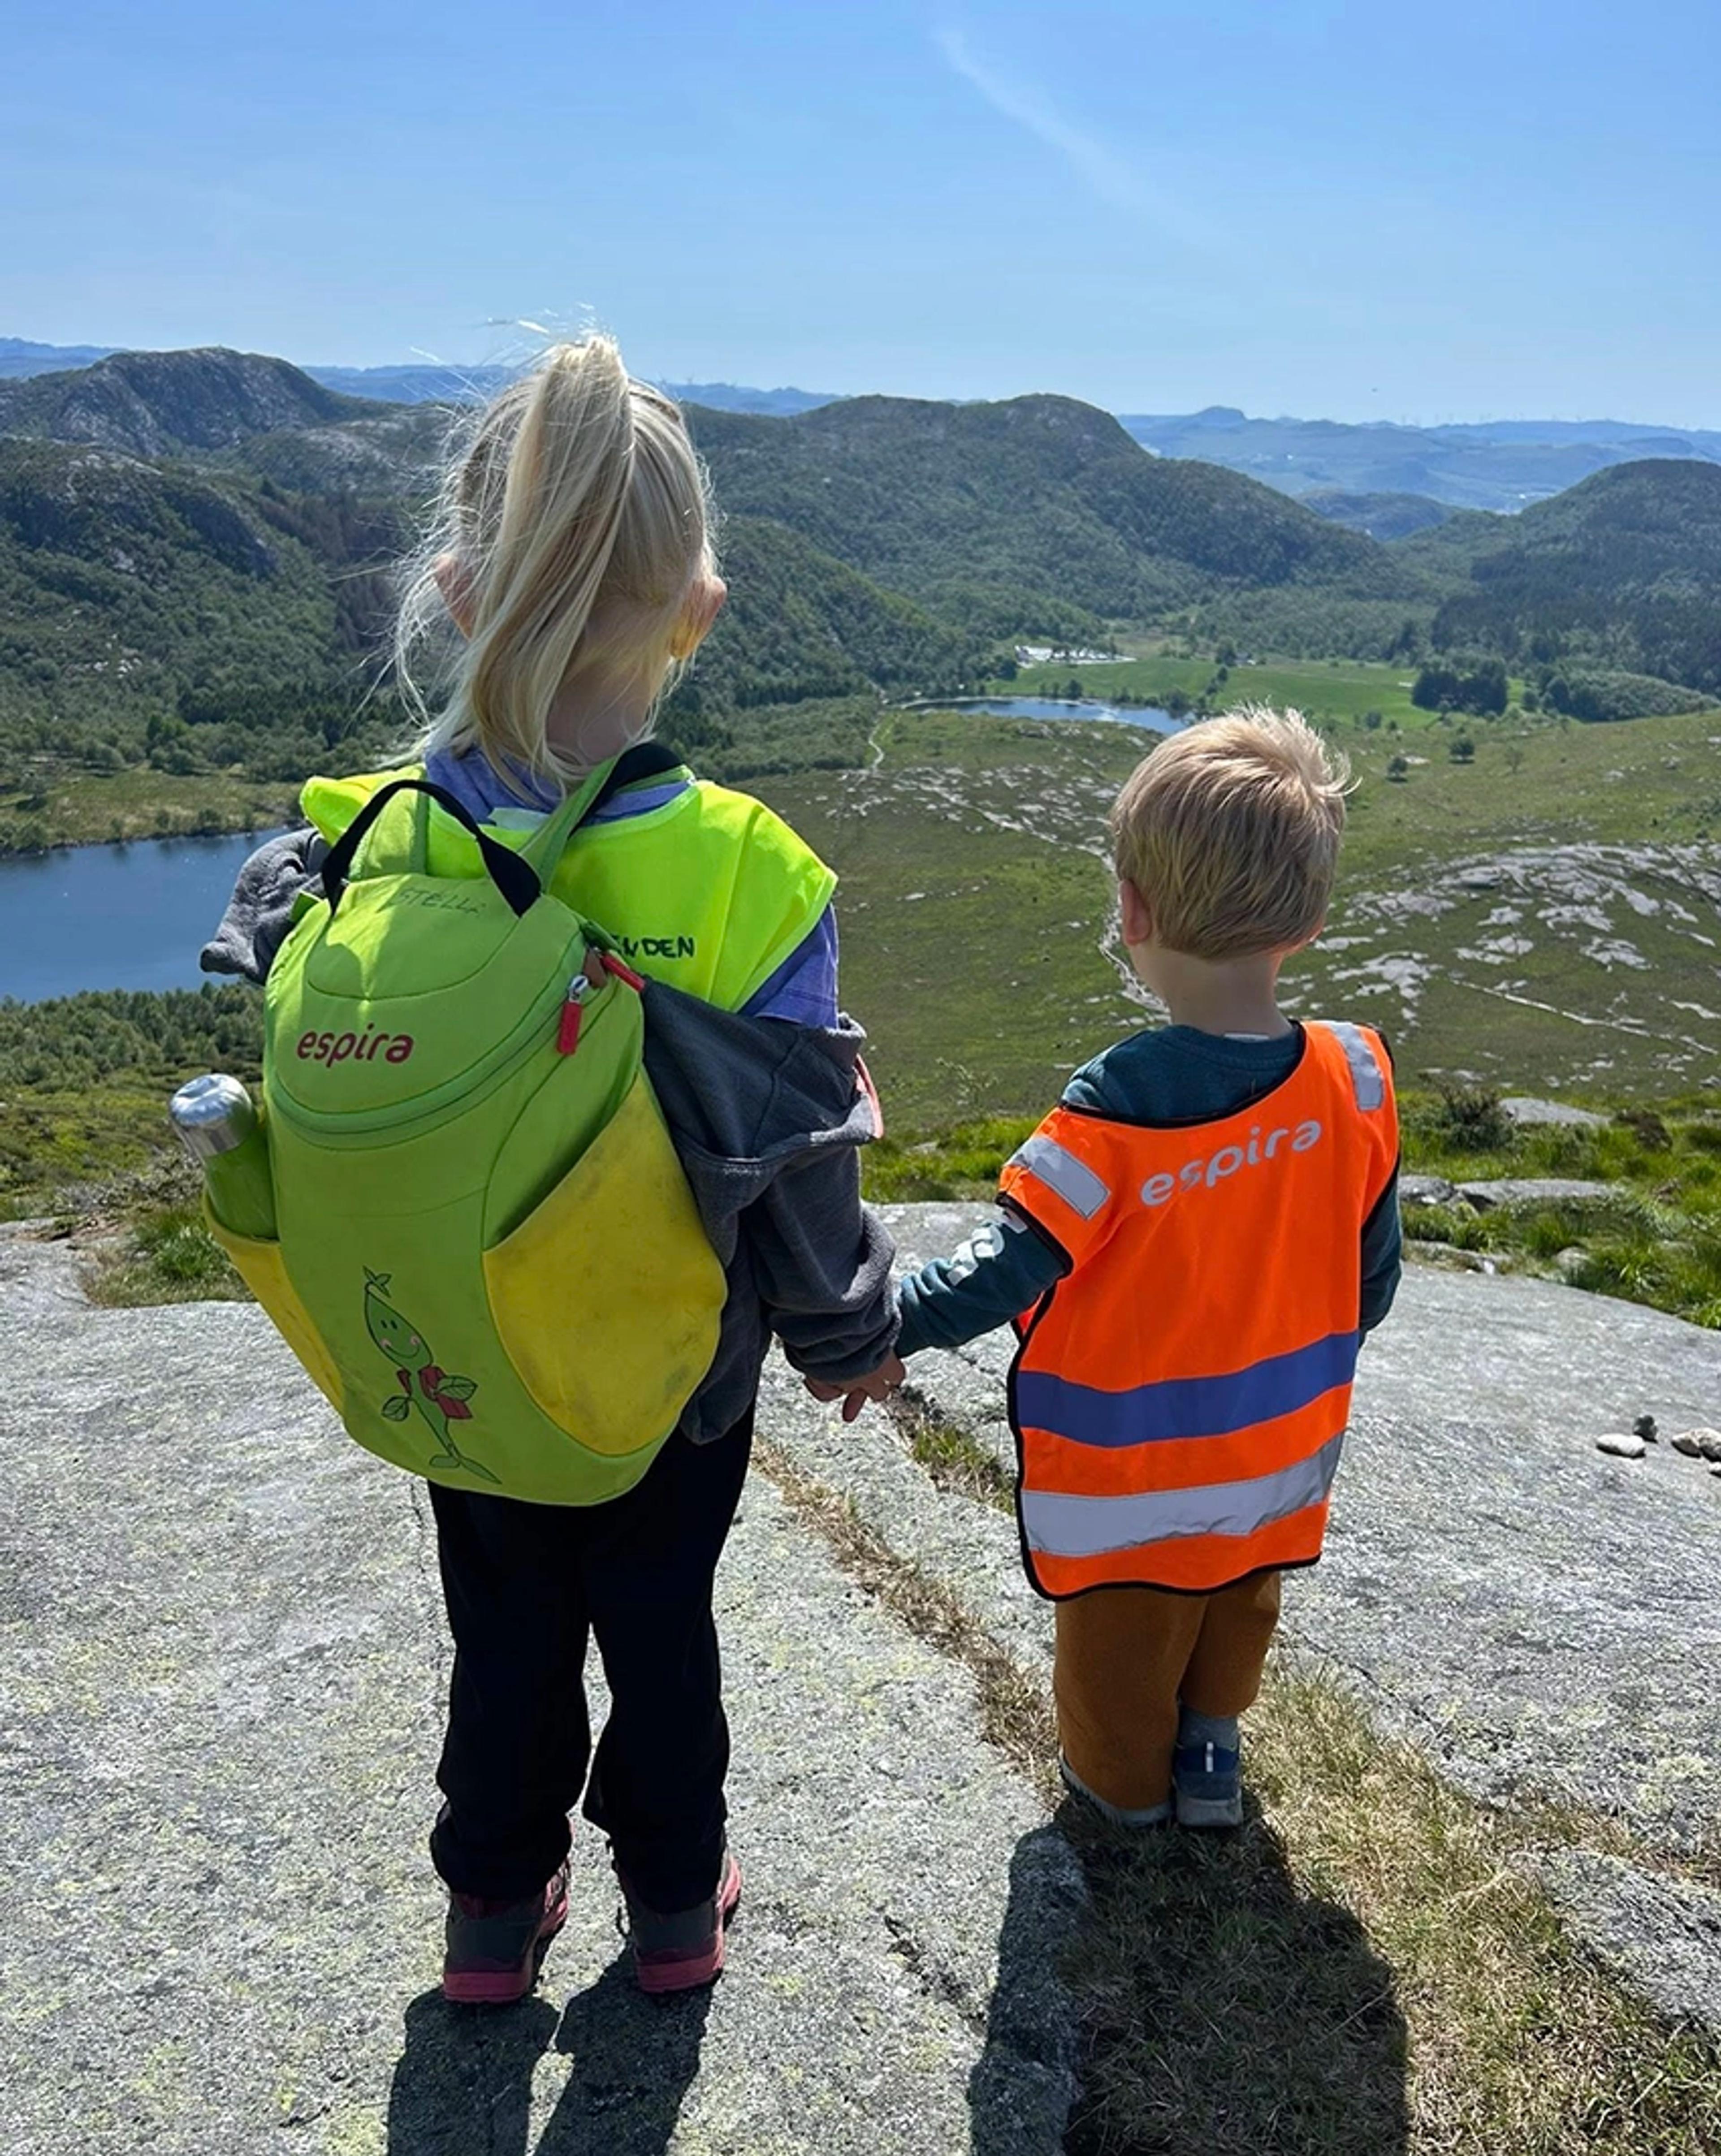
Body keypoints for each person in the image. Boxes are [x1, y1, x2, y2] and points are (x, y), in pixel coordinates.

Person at [204, 337, 901, 2000]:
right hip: (674, 1383)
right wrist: (848, 1333)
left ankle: (489, 1916)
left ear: (454, 591)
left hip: (443, 1349)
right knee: (662, 1636)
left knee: (503, 1637)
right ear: (699, 610)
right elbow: (793, 1167)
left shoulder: (354, 842)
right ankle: (674, 1909)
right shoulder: (745, 869)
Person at [819, 709, 1400, 1829]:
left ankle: (1121, 1796)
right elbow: (1370, 1281)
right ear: (1312, 921)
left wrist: (876, 1333)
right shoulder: (1358, 1080)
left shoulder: (1109, 1114)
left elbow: (1002, 1274)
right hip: (1277, 1454)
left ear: (1132, 911)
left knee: (1118, 1648)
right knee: (1241, 1602)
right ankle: (1212, 1758)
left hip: (1133, 1480)